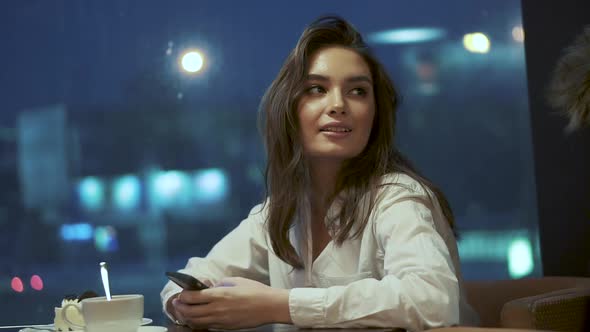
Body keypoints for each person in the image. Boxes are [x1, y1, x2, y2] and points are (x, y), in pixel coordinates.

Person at [161, 16, 479, 330]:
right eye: (317, 89)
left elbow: (433, 299)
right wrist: (184, 304)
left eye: (357, 91)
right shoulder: (279, 213)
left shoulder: (397, 197)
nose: (338, 104)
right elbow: (194, 276)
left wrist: (280, 305)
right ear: (288, 108)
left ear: (375, 113)